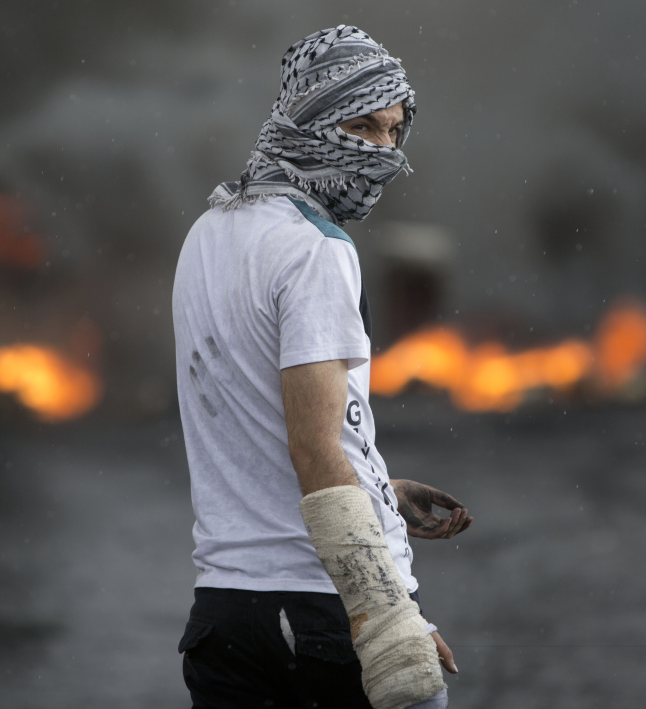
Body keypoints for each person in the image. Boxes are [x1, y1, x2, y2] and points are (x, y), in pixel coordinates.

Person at [172, 26, 472, 709]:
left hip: (224, 618)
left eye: (394, 131)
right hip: (320, 612)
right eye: (361, 126)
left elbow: (258, 419)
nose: (381, 153)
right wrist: (393, 622)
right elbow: (313, 447)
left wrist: (380, 487)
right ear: (307, 116)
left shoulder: (208, 233)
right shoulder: (315, 248)